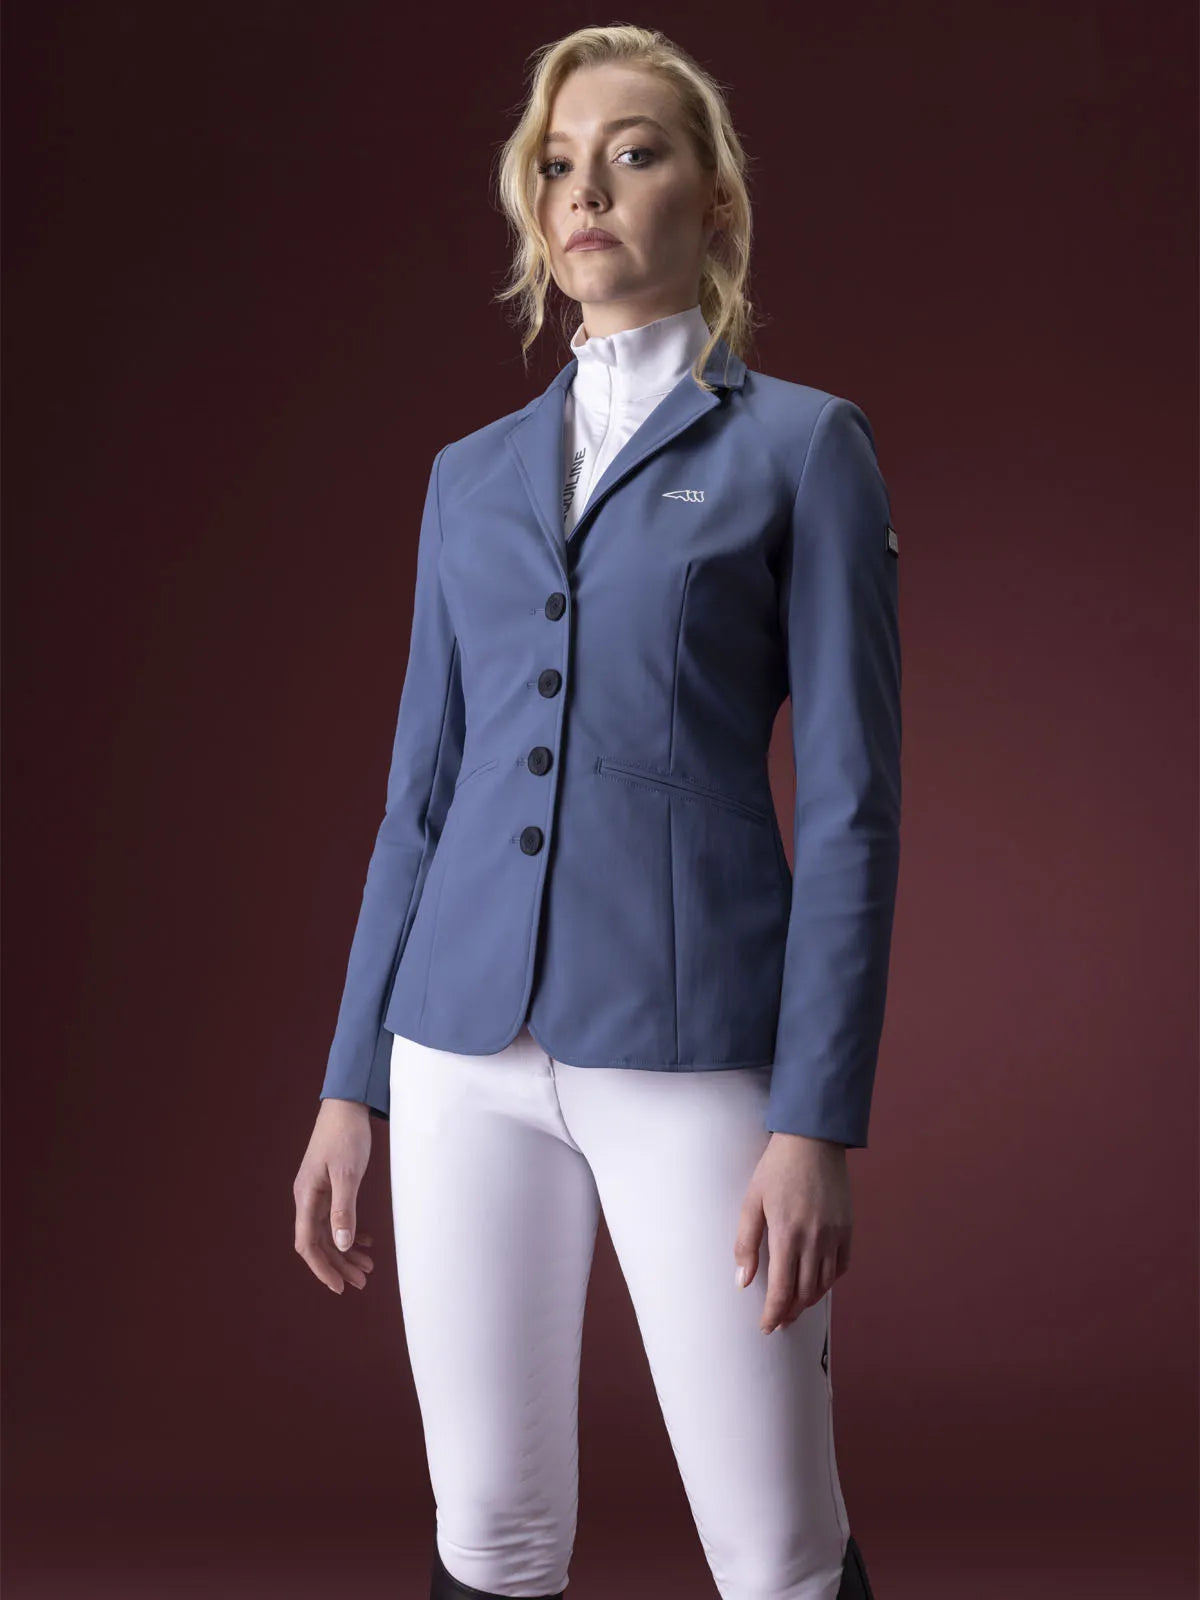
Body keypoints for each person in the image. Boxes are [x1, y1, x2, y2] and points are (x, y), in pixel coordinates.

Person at [293, 23, 900, 1600]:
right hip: (454, 1057)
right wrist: (351, 1082)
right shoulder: (468, 477)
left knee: (776, 1549)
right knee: (489, 1532)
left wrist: (816, 1121)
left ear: (715, 200)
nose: (588, 190)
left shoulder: (804, 448)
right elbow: (421, 797)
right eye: (558, 163)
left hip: (694, 1052)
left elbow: (852, 808)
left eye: (634, 153)